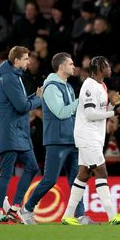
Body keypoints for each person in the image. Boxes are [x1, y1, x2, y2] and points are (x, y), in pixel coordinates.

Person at [61, 56, 120, 225]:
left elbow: (100, 110)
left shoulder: (102, 85)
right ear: (99, 68)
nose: (110, 69)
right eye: (107, 66)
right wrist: (114, 113)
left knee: (83, 174)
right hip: (87, 136)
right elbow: (90, 114)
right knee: (101, 171)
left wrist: (114, 106)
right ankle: (112, 216)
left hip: (95, 136)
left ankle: (67, 216)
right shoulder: (89, 86)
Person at [24, 53, 89, 224]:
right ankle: (27, 209)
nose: (74, 66)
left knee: (77, 180)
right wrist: (80, 101)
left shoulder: (67, 86)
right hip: (57, 140)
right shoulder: (51, 87)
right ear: (61, 67)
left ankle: (79, 215)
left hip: (71, 139)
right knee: (50, 180)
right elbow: (61, 112)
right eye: (71, 64)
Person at [0, 46, 44, 223]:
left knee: (32, 167)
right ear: (16, 61)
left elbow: (20, 102)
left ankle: (14, 207)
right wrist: (38, 99)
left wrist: (34, 97)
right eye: (25, 59)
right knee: (6, 173)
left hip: (18, 133)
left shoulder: (14, 77)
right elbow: (22, 107)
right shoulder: (8, 79)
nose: (28, 61)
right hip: (9, 133)